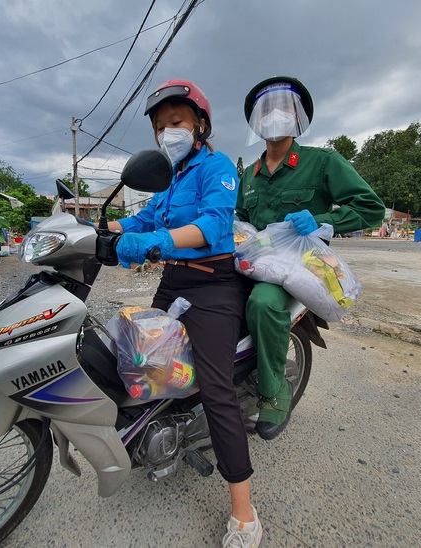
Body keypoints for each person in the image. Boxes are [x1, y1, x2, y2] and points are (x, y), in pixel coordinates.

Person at [108, 79, 262, 547]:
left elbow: (215, 222)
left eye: (175, 122)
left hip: (215, 286)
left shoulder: (216, 167)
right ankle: (162, 433)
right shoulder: (169, 180)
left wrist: (157, 242)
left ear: (198, 124)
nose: (166, 133)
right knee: (145, 360)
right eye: (159, 127)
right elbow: (141, 220)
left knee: (216, 389)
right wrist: (90, 230)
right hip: (175, 280)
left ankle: (244, 511)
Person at [236, 76, 385, 440]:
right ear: (256, 120)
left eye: (283, 107)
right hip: (255, 262)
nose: (274, 115)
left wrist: (323, 220)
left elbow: (371, 209)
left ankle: (275, 392)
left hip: (300, 268)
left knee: (264, 304)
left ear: (298, 115)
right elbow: (238, 220)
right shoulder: (248, 176)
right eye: (266, 109)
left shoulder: (322, 162)